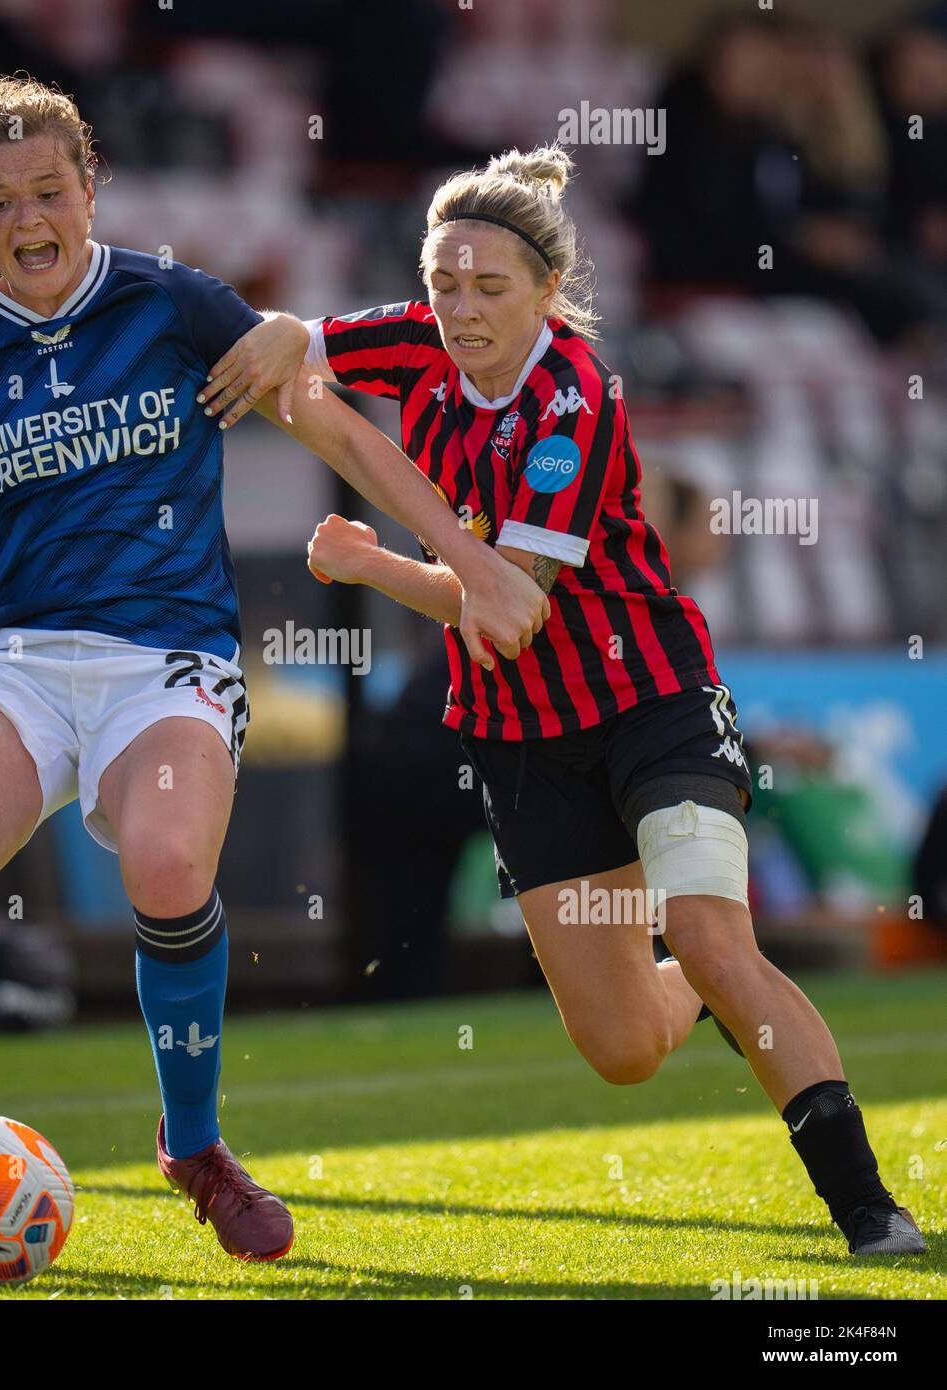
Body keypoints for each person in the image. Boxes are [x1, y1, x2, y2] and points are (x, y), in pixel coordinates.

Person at [0, 75, 547, 1273]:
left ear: (91, 188)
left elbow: (342, 427)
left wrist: (469, 560)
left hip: (171, 661)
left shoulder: (173, 303)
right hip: (21, 664)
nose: (30, 218)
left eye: (51, 190)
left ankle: (194, 1146)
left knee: (163, 862)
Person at [202, 145, 927, 1257]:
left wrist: (371, 566)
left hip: (652, 701)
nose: (459, 308)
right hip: (520, 739)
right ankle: (710, 988)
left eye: (489, 287)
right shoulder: (416, 337)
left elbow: (504, 609)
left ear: (549, 289)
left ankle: (869, 1210)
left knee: (709, 930)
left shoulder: (574, 397)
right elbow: (307, 349)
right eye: (444, 282)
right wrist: (271, 333)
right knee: (626, 1046)